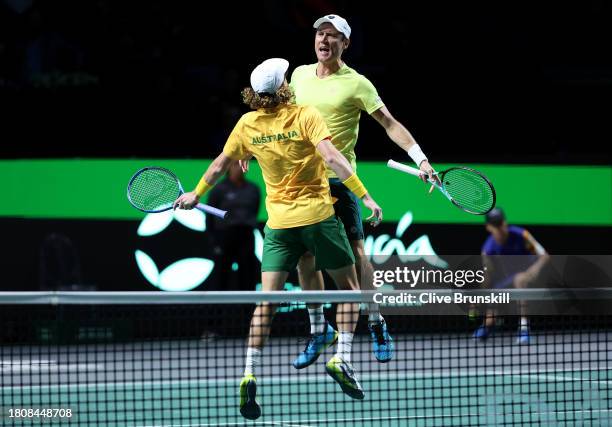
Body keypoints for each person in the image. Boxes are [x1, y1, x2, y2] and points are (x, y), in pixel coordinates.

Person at [173, 58, 383, 420]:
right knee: (350, 292)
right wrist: (364, 196)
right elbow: (333, 157)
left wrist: (196, 193)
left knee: (266, 303)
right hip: (318, 218)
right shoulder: (306, 115)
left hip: (279, 226)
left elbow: (221, 164)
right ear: (284, 87)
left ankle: (249, 371)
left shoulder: (247, 124)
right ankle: (342, 358)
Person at [253, 14, 438, 367]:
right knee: (306, 258)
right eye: (320, 34)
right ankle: (317, 329)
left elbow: (389, 123)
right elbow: (279, 115)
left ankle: (376, 320)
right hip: (301, 183)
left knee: (355, 254)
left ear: (345, 44)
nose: (324, 40)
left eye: (333, 36)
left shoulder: (357, 84)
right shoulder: (299, 75)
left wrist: (421, 159)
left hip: (338, 180)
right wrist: (249, 148)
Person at [474, 207, 549, 344]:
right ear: (489, 228)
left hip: (528, 277)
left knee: (520, 280)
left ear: (505, 222)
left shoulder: (522, 235)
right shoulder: (488, 249)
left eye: (501, 223)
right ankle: (487, 327)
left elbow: (544, 256)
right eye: (495, 225)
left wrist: (534, 271)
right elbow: (488, 275)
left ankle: (524, 328)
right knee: (490, 318)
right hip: (506, 282)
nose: (500, 228)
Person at [206, 161, 260, 291]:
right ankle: (219, 310)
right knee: (221, 274)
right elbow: (209, 217)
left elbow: (255, 211)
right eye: (235, 164)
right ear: (229, 167)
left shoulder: (253, 189)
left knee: (247, 274)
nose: (239, 168)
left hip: (246, 235)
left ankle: (248, 310)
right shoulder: (218, 189)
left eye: (241, 165)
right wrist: (214, 240)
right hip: (225, 236)